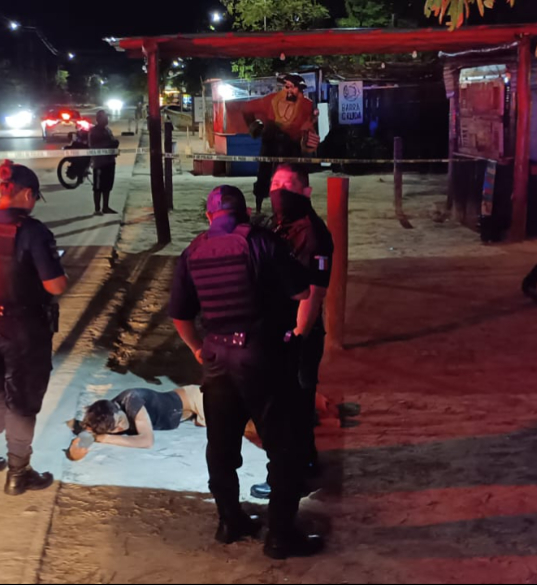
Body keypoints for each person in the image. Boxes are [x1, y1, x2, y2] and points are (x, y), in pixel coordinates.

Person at [169, 184, 324, 559]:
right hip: (261, 357)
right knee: (282, 447)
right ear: (244, 213)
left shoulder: (193, 251)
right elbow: (302, 293)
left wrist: (197, 349)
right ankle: (281, 535)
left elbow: (180, 314)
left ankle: (229, 521)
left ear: (209, 217)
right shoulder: (261, 242)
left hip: (217, 360)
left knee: (220, 446)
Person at [0, 160, 69, 496]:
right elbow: (55, 286)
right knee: (21, 402)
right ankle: (18, 473)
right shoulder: (32, 231)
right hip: (22, 328)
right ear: (25, 193)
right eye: (34, 197)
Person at [250, 163, 334, 500]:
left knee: (287, 408)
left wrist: (297, 335)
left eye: (288, 184)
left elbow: (314, 291)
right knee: (298, 404)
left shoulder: (311, 233)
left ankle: (286, 480)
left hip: (296, 334)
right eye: (275, 183)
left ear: (306, 192)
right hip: (282, 329)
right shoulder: (282, 225)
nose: (279, 189)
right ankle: (307, 461)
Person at [241, 75, 319, 214]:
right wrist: (253, 127)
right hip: (270, 143)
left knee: (297, 177)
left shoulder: (306, 105)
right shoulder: (271, 100)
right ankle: (259, 207)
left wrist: (308, 137)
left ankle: (300, 207)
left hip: (291, 146)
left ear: (300, 90)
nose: (290, 90)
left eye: (294, 87)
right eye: (287, 86)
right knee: (264, 175)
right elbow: (246, 108)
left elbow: (309, 128)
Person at [65, 386, 207, 461]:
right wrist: (80, 446)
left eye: (120, 420)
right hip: (188, 414)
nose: (121, 427)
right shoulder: (104, 419)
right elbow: (82, 441)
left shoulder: (132, 400)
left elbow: (147, 441)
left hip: (196, 399)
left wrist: (104, 438)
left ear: (118, 408)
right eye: (115, 429)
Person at [87, 110, 120, 216]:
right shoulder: (94, 131)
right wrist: (110, 144)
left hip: (110, 161)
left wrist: (114, 145)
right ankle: (97, 209)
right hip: (99, 163)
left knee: (108, 186)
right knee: (98, 187)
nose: (106, 120)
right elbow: (95, 146)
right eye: (104, 118)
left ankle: (105, 207)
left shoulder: (107, 130)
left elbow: (112, 142)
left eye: (107, 118)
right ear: (98, 119)